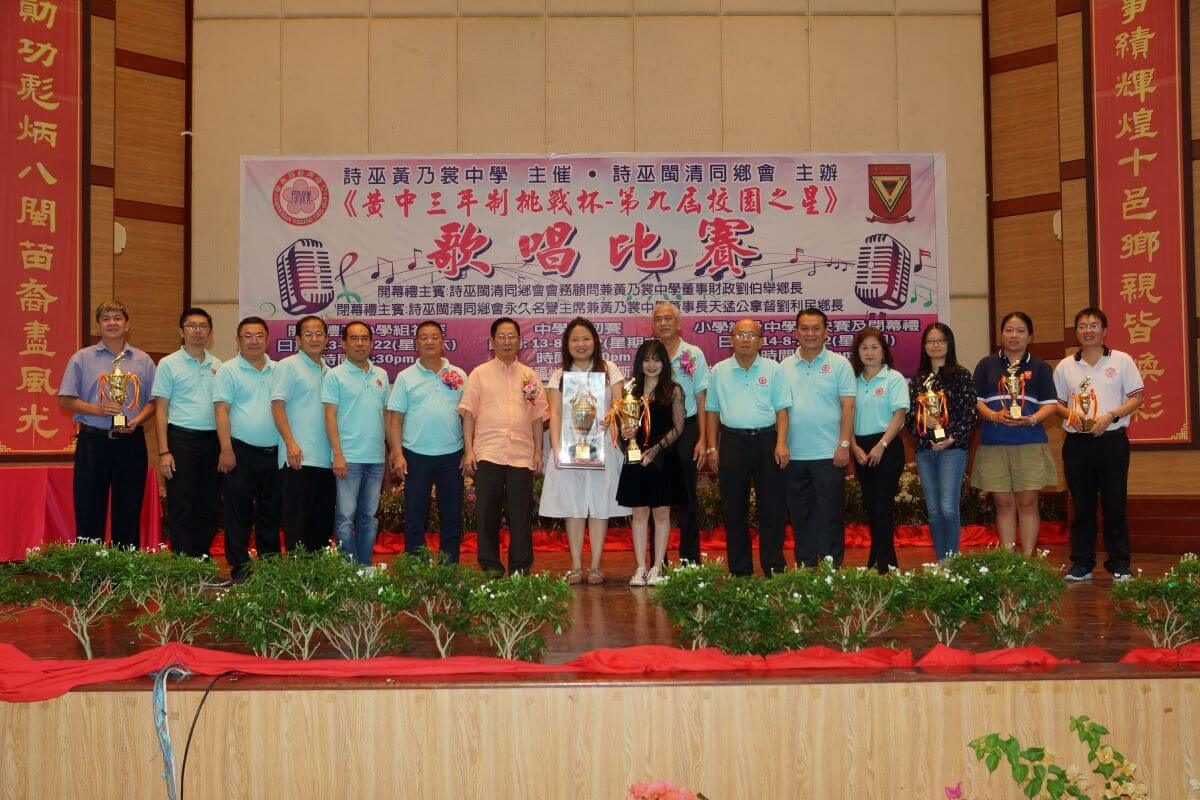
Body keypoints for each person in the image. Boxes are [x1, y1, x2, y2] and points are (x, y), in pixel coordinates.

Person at [1054, 307, 1144, 582]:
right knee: (1082, 506)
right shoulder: (1065, 366)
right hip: (1077, 444)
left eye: (1094, 325)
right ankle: (1082, 563)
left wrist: (1110, 416)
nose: (1088, 330)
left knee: (1115, 504)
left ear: (1104, 331)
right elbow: (1057, 404)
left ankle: (1119, 562)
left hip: (1112, 442)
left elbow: (1137, 397)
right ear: (1076, 332)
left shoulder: (1122, 360)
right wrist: (1074, 416)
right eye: (1082, 326)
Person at [58, 300, 156, 549]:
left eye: (117, 318)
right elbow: (65, 398)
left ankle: (125, 565)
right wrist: (98, 410)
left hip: (131, 441)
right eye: (106, 319)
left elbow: (154, 401)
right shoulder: (82, 358)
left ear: (127, 325)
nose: (112, 323)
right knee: (88, 506)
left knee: (129, 507)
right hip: (94, 441)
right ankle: (89, 564)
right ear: (98, 326)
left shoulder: (143, 360)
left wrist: (138, 419)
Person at [540, 317, 629, 585]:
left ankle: (596, 566)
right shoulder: (559, 376)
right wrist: (557, 449)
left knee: (600, 505)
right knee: (574, 505)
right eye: (575, 339)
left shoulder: (610, 370)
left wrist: (611, 418)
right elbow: (555, 413)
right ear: (567, 344)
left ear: (595, 342)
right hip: (570, 450)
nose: (581, 344)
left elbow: (619, 406)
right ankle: (576, 566)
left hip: (603, 448)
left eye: (586, 338)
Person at [459, 318, 549, 577]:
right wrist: (469, 450)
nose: (507, 341)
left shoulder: (529, 376)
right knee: (487, 513)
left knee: (521, 514)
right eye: (501, 336)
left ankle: (520, 567)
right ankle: (490, 566)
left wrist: (538, 451)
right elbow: (469, 414)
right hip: (489, 452)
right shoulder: (479, 374)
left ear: (520, 341)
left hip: (521, 454)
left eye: (511, 336)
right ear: (492, 341)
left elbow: (537, 417)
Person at [704, 319, 791, 576]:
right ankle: (740, 569)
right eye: (740, 334)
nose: (745, 339)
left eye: (751, 335)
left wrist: (781, 443)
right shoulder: (719, 371)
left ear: (761, 341)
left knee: (772, 506)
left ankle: (773, 566)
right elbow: (712, 412)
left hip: (767, 440)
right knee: (734, 508)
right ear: (731, 340)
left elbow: (782, 411)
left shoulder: (773, 370)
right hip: (732, 442)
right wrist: (712, 448)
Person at [972, 311, 1059, 555]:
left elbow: (1051, 404)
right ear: (1001, 334)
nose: (1014, 335)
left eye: (1020, 331)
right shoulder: (986, 365)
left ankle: (1028, 560)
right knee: (1003, 503)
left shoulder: (1040, 367)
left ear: (1030, 336)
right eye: (1009, 330)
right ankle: (1008, 561)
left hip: (1029, 442)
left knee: (1027, 502)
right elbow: (976, 402)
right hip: (994, 443)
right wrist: (994, 416)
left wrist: (1032, 419)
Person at [386, 320, 468, 563]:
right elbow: (395, 418)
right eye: (424, 337)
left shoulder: (459, 375)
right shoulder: (405, 377)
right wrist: (397, 453)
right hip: (415, 455)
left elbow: (468, 416)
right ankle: (416, 566)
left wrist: (469, 450)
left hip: (452, 454)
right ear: (416, 344)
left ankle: (448, 566)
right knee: (415, 515)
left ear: (443, 343)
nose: (429, 341)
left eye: (434, 337)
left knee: (452, 514)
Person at [779, 308, 855, 567]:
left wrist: (844, 444)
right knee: (800, 515)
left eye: (815, 328)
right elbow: (780, 410)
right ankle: (806, 565)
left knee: (830, 514)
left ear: (825, 333)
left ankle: (831, 566)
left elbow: (848, 407)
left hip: (829, 453)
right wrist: (781, 444)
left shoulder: (840, 364)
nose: (809, 333)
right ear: (796, 333)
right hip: (793, 454)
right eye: (804, 328)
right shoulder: (784, 367)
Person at [214, 316, 281, 581]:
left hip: (275, 452)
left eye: (259, 335)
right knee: (237, 513)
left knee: (271, 512)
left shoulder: (279, 370)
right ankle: (240, 565)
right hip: (240, 451)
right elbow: (221, 411)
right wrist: (226, 449)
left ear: (268, 339)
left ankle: (270, 564)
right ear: (238, 340)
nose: (254, 341)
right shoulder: (228, 370)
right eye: (247, 336)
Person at [615, 338, 686, 586]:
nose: (651, 365)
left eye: (656, 359)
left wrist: (656, 449)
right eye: (646, 360)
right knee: (639, 512)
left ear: (664, 363)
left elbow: (678, 428)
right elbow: (624, 430)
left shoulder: (673, 390)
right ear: (639, 363)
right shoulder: (630, 392)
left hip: (663, 459)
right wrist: (625, 434)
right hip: (636, 459)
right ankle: (640, 567)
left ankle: (657, 567)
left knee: (662, 512)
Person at [152, 307, 221, 558]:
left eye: (203, 326)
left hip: (212, 441)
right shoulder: (168, 364)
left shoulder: (218, 365)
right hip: (180, 440)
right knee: (181, 503)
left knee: (209, 503)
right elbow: (161, 410)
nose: (197, 331)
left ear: (210, 332)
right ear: (182, 332)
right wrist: (164, 451)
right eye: (191, 326)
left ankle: (200, 555)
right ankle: (182, 562)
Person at [906, 323, 977, 562]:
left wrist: (950, 438)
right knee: (934, 511)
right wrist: (923, 424)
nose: (935, 345)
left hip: (952, 450)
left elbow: (970, 414)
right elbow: (909, 418)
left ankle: (952, 562)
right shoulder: (918, 380)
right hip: (925, 451)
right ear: (924, 346)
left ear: (949, 344)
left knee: (948, 508)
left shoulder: (961, 375)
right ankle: (941, 562)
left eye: (940, 340)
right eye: (930, 341)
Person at [322, 321, 389, 567]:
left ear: (371, 343)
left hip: (376, 459)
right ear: (343, 343)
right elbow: (329, 417)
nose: (360, 343)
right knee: (345, 518)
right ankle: (347, 568)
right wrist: (337, 454)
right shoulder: (334, 376)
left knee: (369, 517)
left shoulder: (381, 375)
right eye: (354, 338)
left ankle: (365, 566)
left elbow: (385, 416)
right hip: (348, 458)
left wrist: (391, 451)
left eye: (364, 338)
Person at [650, 301, 710, 564]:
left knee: (686, 497)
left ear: (679, 323)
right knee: (656, 498)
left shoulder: (693, 354)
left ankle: (690, 560)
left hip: (687, 428)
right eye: (658, 319)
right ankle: (658, 562)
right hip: (658, 431)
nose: (663, 323)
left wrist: (703, 439)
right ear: (653, 325)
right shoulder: (650, 354)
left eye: (668, 318)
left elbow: (702, 397)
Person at [271, 315, 335, 555]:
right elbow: (277, 406)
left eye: (319, 334)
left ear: (327, 339)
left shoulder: (329, 371)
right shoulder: (288, 366)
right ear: (298, 339)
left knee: (321, 524)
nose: (314, 338)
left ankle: (316, 574)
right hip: (298, 458)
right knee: (297, 524)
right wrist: (290, 443)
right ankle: (298, 573)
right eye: (308, 334)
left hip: (326, 460)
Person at [849, 327, 910, 574]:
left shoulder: (893, 378)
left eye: (875, 347)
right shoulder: (852, 380)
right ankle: (884, 561)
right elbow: (845, 416)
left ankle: (882, 565)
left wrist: (881, 445)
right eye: (864, 347)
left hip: (887, 447)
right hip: (860, 449)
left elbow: (899, 415)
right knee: (872, 507)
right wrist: (853, 446)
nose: (869, 352)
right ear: (857, 352)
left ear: (884, 351)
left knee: (882, 506)